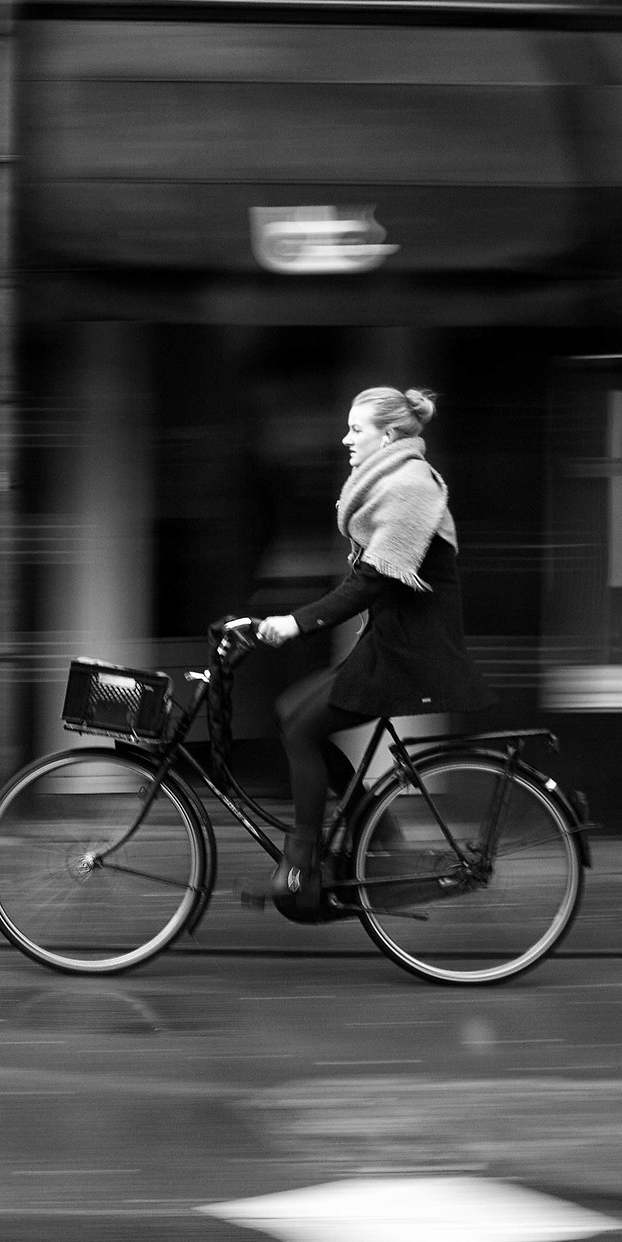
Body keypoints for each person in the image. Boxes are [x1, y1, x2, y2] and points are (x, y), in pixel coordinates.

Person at [253, 387, 493, 920]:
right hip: (388, 645)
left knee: (300, 727)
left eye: (355, 429)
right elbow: (369, 582)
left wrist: (296, 622)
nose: (345, 439)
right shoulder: (389, 483)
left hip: (410, 655)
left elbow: (371, 582)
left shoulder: (410, 486)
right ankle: (375, 837)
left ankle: (303, 865)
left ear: (388, 436)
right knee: (292, 714)